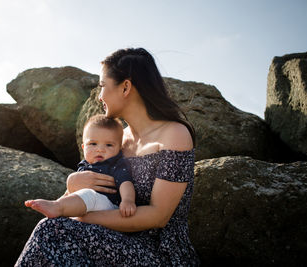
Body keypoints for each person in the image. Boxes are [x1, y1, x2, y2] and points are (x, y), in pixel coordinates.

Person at [15, 47, 200, 266]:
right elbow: (81, 196)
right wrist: (73, 182)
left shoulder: (174, 135)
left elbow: (158, 216)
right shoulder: (117, 139)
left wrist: (83, 218)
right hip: (113, 238)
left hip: (159, 251)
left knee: (52, 231)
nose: (100, 95)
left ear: (126, 87)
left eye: (102, 85)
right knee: (51, 229)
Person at [24, 114, 136, 218]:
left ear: (119, 148)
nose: (100, 149)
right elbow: (73, 192)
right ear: (83, 147)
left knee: (89, 195)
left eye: (109, 145)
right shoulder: (84, 166)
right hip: (86, 207)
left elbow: (125, 183)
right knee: (74, 199)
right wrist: (64, 198)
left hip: (109, 205)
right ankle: (58, 206)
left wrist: (127, 201)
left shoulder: (116, 164)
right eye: (93, 144)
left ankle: (58, 207)